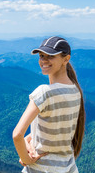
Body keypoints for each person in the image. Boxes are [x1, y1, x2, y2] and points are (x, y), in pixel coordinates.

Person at [13, 36, 85, 173]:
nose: (44, 60)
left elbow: (17, 135)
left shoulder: (44, 93)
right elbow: (53, 133)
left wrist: (27, 159)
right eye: (41, 56)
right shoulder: (76, 91)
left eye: (50, 56)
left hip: (41, 168)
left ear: (66, 59)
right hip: (69, 168)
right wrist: (27, 144)